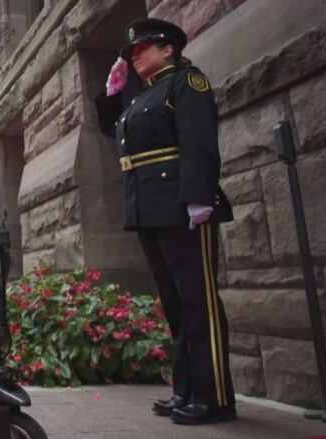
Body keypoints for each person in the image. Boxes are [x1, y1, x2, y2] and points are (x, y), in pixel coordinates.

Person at [94, 18, 236, 425]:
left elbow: (199, 142)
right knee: (174, 303)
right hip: (149, 207)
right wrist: (113, 91)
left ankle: (215, 398)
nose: (134, 56)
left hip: (181, 205)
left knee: (198, 300)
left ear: (168, 48)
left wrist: (198, 198)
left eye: (141, 49)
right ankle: (187, 391)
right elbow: (113, 130)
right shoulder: (143, 96)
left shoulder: (186, 83)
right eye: (130, 53)